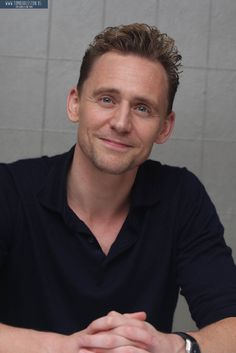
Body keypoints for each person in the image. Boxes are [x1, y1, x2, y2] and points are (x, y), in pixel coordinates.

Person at [0, 23, 236, 353]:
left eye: (142, 108)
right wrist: (69, 347)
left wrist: (171, 346)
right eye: (107, 99)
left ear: (164, 127)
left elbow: (232, 325)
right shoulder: (9, 190)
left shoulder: (181, 196)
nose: (121, 123)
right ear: (75, 104)